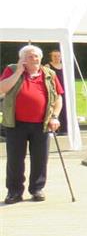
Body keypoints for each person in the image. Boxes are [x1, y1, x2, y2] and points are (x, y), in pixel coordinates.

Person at [2, 44, 63, 204]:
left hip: (42, 124)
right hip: (16, 124)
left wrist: (55, 117)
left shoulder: (49, 73)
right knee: (15, 160)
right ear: (22, 59)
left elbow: (58, 97)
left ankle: (37, 189)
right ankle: (14, 192)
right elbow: (3, 88)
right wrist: (18, 72)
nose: (34, 59)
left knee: (40, 159)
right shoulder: (12, 69)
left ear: (41, 58)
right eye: (29, 56)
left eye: (36, 56)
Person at [46, 49, 68, 136]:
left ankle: (64, 129)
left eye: (58, 56)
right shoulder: (48, 66)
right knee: (53, 108)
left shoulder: (65, 66)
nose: (57, 58)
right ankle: (52, 129)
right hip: (53, 90)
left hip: (64, 90)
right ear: (51, 57)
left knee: (64, 109)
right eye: (54, 56)